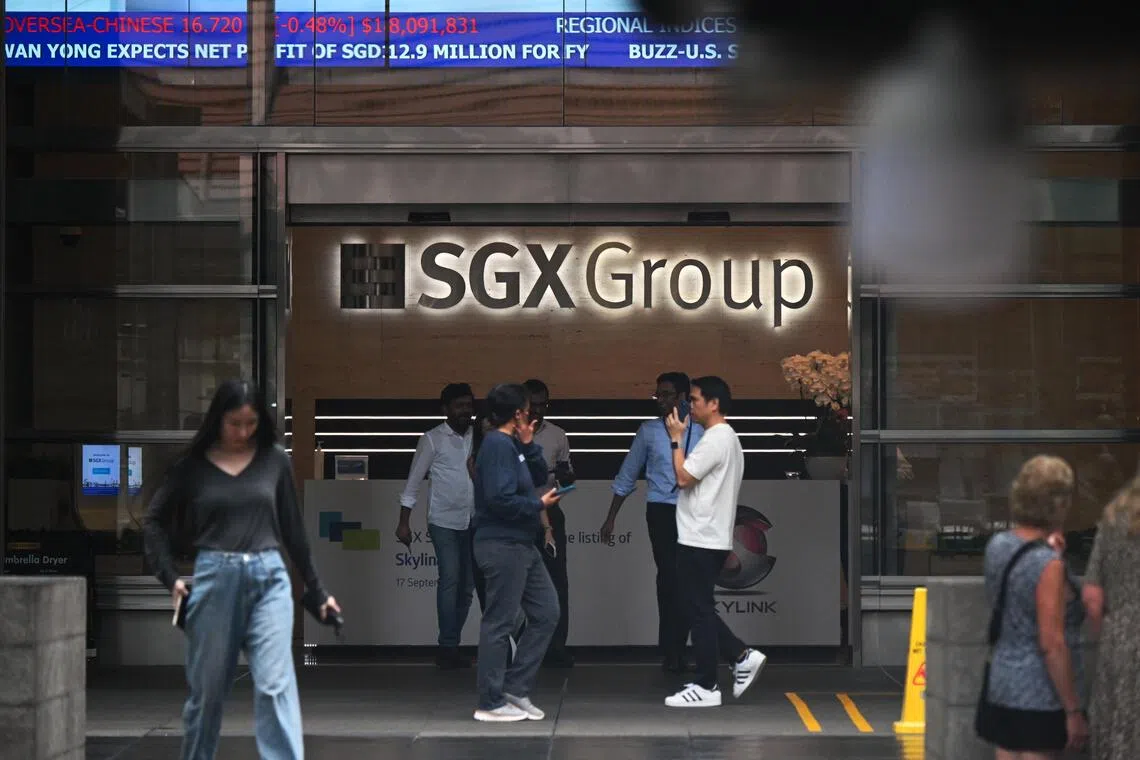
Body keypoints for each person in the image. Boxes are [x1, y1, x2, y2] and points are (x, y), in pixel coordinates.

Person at [142, 380, 340, 760]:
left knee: (275, 685)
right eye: (234, 423)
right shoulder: (193, 468)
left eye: (250, 423)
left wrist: (317, 589)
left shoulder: (274, 460)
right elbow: (153, 523)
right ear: (217, 419)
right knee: (208, 692)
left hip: (270, 578)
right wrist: (171, 579)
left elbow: (294, 531)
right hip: (215, 578)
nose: (242, 433)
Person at [663, 376, 765, 707]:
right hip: (707, 535)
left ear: (713, 403)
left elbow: (682, 477)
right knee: (694, 605)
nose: (688, 406)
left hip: (701, 536)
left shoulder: (717, 437)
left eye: (693, 400)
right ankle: (740, 655)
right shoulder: (724, 437)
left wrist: (676, 440)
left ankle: (707, 684)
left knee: (698, 609)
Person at [978, 454, 1087, 759]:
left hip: (1001, 681)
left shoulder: (998, 545)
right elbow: (1052, 643)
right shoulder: (1046, 563)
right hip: (1039, 692)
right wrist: (1073, 709)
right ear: (1058, 504)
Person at [601, 371, 704, 673]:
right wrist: (611, 517)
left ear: (683, 397)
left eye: (667, 395)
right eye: (658, 394)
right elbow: (627, 474)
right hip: (661, 511)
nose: (660, 400)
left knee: (689, 581)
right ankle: (671, 649)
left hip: (695, 512)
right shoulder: (648, 431)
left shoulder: (701, 430)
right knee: (670, 577)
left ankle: (681, 645)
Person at [471, 383, 563, 722]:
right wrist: (536, 505)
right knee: (500, 621)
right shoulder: (496, 445)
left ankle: (515, 688)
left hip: (523, 543)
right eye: (527, 408)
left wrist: (528, 442)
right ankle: (490, 701)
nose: (533, 413)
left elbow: (539, 475)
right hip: (502, 543)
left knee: (547, 612)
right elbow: (499, 499)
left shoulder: (513, 444)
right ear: (518, 412)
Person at [395, 382, 478, 670]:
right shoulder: (432, 439)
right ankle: (447, 648)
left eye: (468, 405)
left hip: (474, 521)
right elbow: (414, 481)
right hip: (443, 521)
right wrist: (403, 522)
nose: (465, 411)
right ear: (446, 410)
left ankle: (451, 643)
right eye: (459, 406)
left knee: (467, 589)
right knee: (451, 580)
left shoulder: (479, 437)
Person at [1081, 473, 1140, 760]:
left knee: (1116, 727)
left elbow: (1092, 596)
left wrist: (1106, 630)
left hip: (1119, 641)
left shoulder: (1114, 517)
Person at [523, 378, 575, 668]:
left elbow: (567, 478)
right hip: (518, 514)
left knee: (557, 583)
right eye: (534, 404)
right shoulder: (510, 434)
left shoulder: (557, 435)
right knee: (517, 584)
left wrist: (565, 483)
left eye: (544, 404)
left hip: (551, 513)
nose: (539, 410)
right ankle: (521, 649)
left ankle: (556, 648)